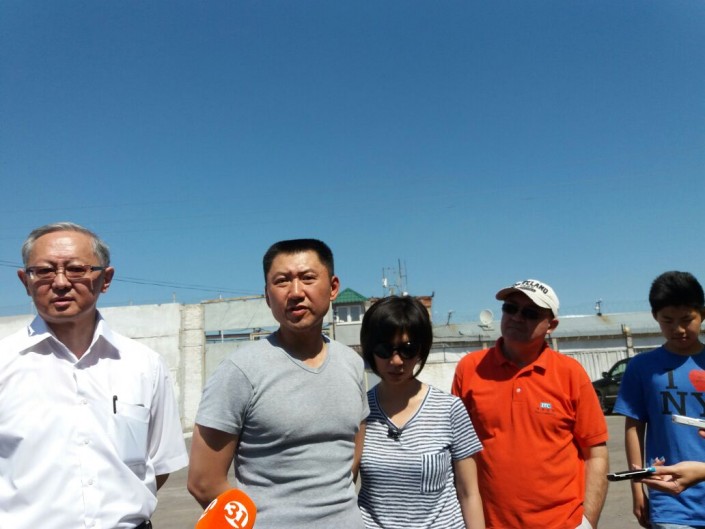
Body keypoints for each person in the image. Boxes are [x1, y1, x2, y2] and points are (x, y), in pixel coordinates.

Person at [0, 222, 188, 529]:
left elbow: (159, 465)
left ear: (105, 279)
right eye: (44, 271)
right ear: (26, 281)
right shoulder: (4, 362)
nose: (61, 282)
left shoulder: (144, 365)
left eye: (76, 269)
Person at [188, 239, 369, 528]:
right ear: (267, 295)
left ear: (333, 287)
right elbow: (203, 482)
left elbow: (351, 458)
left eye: (308, 278)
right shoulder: (240, 371)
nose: (296, 292)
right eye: (282, 281)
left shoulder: (352, 364)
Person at [452, 279, 609, 529]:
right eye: (510, 308)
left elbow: (596, 454)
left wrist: (588, 523)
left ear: (551, 326)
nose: (516, 317)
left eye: (530, 313)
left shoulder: (571, 374)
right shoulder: (470, 369)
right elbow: (459, 454)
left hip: (562, 523)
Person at [357, 296, 485, 529]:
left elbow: (469, 493)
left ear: (421, 350)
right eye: (384, 349)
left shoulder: (450, 409)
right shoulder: (359, 411)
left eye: (408, 350)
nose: (396, 361)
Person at [614, 271, 705, 529]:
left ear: (702, 314)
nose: (678, 329)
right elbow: (634, 428)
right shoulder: (642, 367)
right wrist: (637, 487)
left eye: (687, 319)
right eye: (668, 320)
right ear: (655, 317)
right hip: (669, 498)